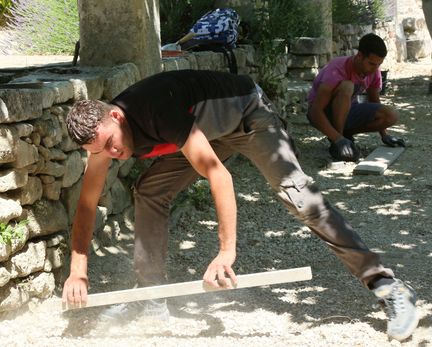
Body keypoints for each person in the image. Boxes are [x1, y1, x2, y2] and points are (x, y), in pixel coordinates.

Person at [63, 69, 418, 341]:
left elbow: (217, 174)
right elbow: (87, 204)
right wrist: (78, 270)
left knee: (299, 196)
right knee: (150, 190)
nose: (111, 155)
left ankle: (387, 285)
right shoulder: (104, 137)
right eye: (99, 152)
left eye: (111, 144)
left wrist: (225, 251)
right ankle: (151, 299)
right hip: (204, 133)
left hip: (248, 115)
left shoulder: (156, 109)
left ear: (117, 117)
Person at [307, 33, 406, 162]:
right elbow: (315, 111)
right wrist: (338, 140)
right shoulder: (337, 69)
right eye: (371, 63)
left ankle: (345, 135)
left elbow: (374, 102)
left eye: (378, 64)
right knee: (347, 86)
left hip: (347, 111)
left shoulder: (374, 71)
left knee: (391, 114)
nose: (375, 69)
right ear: (359, 56)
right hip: (322, 114)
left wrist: (384, 135)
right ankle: (337, 141)